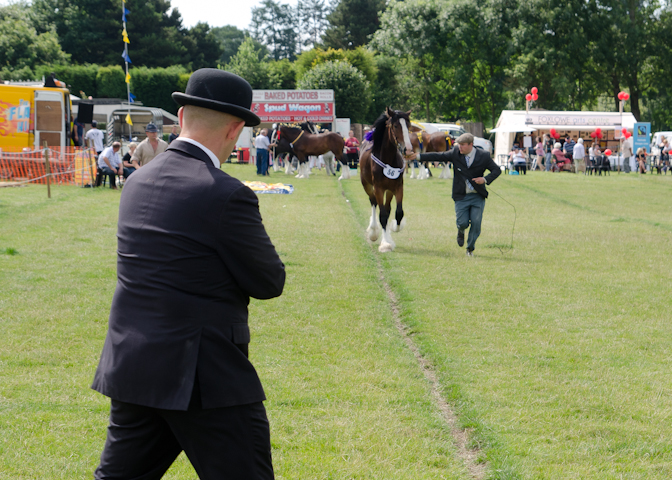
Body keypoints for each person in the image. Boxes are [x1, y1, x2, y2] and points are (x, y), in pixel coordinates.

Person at [91, 69, 286, 479]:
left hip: (133, 363)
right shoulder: (226, 193)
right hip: (203, 374)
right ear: (235, 130)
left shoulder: (137, 181)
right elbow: (269, 282)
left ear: (180, 118)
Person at [407, 132, 501, 256]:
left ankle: (470, 249)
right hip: (461, 195)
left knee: (476, 223)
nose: (459, 147)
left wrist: (485, 179)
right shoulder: (455, 153)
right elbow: (438, 155)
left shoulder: (483, 155)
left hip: (477, 195)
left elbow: (497, 170)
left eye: (462, 145)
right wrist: (418, 156)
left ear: (471, 144)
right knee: (462, 222)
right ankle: (461, 230)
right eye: (459, 144)